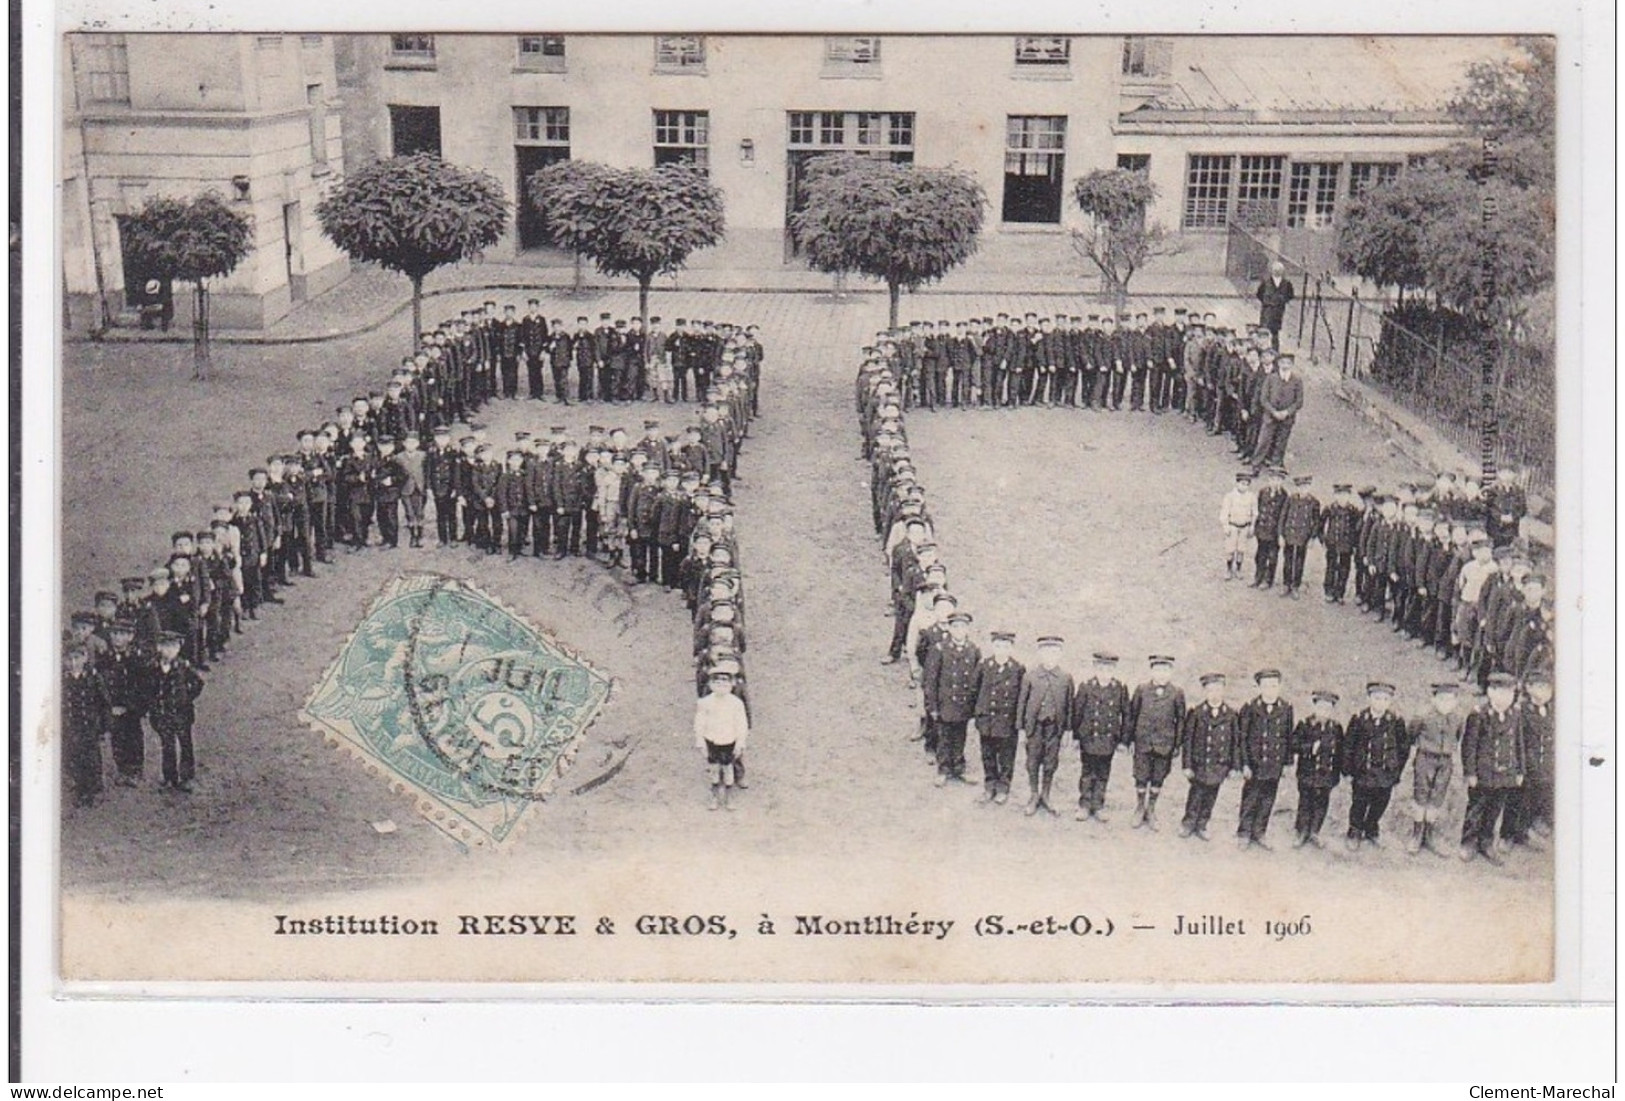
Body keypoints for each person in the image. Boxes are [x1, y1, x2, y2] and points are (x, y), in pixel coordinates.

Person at [1459, 672, 1525, 864]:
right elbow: (1469, 746)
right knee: (1476, 809)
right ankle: (1469, 842)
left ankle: (1486, 843)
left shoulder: (1515, 714)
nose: (1506, 698)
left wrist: (1520, 770)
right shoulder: (1479, 714)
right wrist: (1470, 772)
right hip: (1483, 774)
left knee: (1495, 811)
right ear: (1490, 692)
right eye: (1501, 693)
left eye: (1510, 694)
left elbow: (1518, 743)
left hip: (1506, 774)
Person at [1341, 680, 1411, 850]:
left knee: (1380, 803)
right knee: (1359, 803)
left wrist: (1396, 772)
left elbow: (1403, 748)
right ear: (1369, 698)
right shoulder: (1359, 719)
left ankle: (1371, 828)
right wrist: (1348, 770)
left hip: (1385, 774)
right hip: (1363, 772)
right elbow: (1348, 745)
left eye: (1386, 699)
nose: (1381, 703)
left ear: (1390, 701)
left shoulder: (1395, 721)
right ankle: (1355, 830)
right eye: (1377, 698)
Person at [1236, 668, 1294, 850]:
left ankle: (1260, 832)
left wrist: (1287, 763)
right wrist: (1245, 763)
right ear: (1259, 687)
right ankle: (1244, 833)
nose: (1271, 689)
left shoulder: (1286, 709)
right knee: (1250, 798)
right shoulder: (1250, 708)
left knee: (1268, 800)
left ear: (1279, 687)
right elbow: (1242, 738)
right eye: (1266, 686)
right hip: (1254, 764)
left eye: (1274, 685)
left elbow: (1288, 737)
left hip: (1274, 765)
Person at [923, 610, 981, 787]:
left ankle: (959, 767)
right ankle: (943, 769)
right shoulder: (940, 649)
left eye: (962, 627)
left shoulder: (973, 650)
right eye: (955, 626)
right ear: (949, 628)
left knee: (960, 735)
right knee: (944, 736)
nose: (959, 630)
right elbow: (931, 680)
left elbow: (977, 679)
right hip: (945, 703)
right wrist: (931, 706)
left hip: (963, 704)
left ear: (968, 629)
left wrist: (974, 705)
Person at [1406, 681, 1465, 855]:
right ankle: (1417, 833)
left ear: (1455, 701)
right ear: (1434, 700)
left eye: (1450, 700)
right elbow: (1411, 734)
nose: (1445, 704)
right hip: (1425, 759)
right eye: (1441, 699)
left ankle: (1429, 834)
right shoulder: (1423, 716)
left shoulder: (1457, 718)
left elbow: (1457, 736)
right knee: (1421, 795)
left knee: (1437, 796)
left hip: (1445, 762)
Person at [1016, 635, 1073, 816]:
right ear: (1039, 654)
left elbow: (1069, 706)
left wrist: (1067, 731)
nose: (1050, 656)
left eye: (1054, 652)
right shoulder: (1030, 676)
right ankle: (1034, 795)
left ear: (1061, 654)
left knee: (1050, 762)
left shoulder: (1065, 678)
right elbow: (1021, 704)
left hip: (1054, 730)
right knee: (1032, 761)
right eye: (1046, 652)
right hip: (1034, 728)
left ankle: (1046, 794)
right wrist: (1021, 730)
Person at [1127, 654, 1185, 830]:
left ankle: (1151, 809)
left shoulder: (1177, 693)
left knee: (1158, 778)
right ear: (1151, 670)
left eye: (1165, 670)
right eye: (1158, 669)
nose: (1161, 674)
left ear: (1171, 672)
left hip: (1164, 745)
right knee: (1141, 777)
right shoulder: (1142, 690)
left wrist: (1177, 745)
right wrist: (1129, 739)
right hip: (1143, 743)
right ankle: (1139, 807)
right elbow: (1132, 715)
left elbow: (1181, 720)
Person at [1070, 651, 1129, 823]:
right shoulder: (1086, 687)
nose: (1105, 671)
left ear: (1114, 669)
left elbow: (1126, 715)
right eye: (1101, 667)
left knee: (1103, 773)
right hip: (1088, 739)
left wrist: (1123, 741)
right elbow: (1077, 712)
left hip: (1108, 740)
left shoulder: (1119, 688)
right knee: (1087, 773)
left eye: (1109, 668)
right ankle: (1085, 804)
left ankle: (1098, 804)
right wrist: (1075, 736)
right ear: (1095, 667)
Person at [1179, 672, 1238, 841]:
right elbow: (1188, 741)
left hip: (1219, 766)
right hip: (1199, 765)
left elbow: (1236, 743)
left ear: (1223, 690)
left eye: (1218, 689)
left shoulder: (1231, 715)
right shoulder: (1196, 713)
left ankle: (1202, 824)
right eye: (1210, 690)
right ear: (1205, 692)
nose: (1214, 694)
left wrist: (1234, 767)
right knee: (1195, 795)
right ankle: (1188, 823)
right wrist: (1187, 765)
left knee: (1211, 796)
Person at [146, 629, 205, 793]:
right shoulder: (153, 667)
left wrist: (187, 698)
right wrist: (154, 707)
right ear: (159, 647)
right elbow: (149, 689)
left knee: (185, 744)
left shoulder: (183, 666)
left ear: (179, 647)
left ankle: (186, 777)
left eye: (173, 646)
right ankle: (169, 777)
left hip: (182, 714)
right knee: (167, 746)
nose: (169, 650)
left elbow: (198, 683)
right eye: (165, 646)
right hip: (163, 714)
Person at [971, 630, 1024, 805]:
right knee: (988, 755)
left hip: (1007, 723)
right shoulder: (984, 666)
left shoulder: (1017, 669)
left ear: (1012, 648)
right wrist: (978, 714)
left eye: (1006, 646)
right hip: (987, 720)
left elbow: (1021, 698)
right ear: (992, 646)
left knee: (1006, 757)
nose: (1001, 649)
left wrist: (1018, 722)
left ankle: (1003, 787)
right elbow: (975, 690)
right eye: (998, 646)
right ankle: (989, 785)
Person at [1291, 689, 1343, 848]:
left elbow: (1341, 752)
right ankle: (1302, 831)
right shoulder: (1305, 725)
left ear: (1332, 710)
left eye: (1328, 709)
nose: (1323, 712)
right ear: (1314, 707)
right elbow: (1294, 745)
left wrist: (1337, 774)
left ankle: (1315, 831)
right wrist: (1309, 748)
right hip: (1307, 773)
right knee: (1305, 802)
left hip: (1326, 774)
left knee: (1322, 803)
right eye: (1320, 707)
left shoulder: (1336, 728)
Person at [692, 669, 750, 811]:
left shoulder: (736, 703)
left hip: (729, 741)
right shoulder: (705, 703)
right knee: (714, 769)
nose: (721, 686)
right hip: (712, 740)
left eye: (725, 683)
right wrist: (701, 743)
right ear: (711, 685)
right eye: (717, 683)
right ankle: (714, 797)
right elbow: (699, 723)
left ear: (731, 685)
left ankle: (729, 798)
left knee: (728, 768)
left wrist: (740, 743)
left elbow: (742, 724)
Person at [62, 642, 111, 807]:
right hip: (72, 726)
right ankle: (80, 790)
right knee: (75, 757)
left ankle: (94, 790)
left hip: (90, 726)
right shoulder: (63, 679)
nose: (74, 662)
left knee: (92, 758)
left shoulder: (94, 677)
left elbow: (104, 703)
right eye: (70, 659)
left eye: (77, 658)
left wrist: (104, 727)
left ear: (85, 658)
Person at [1251, 353, 1303, 469]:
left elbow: (1299, 402)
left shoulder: (1297, 380)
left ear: (1292, 365)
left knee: (1281, 442)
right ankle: (1256, 464)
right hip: (1270, 416)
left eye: (1288, 363)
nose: (1285, 365)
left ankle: (1276, 464)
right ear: (1278, 364)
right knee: (1264, 441)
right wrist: (1273, 411)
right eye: (1283, 362)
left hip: (1287, 418)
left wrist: (1287, 412)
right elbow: (1263, 399)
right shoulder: (1271, 378)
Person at [1278, 473, 1322, 599]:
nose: (1303, 489)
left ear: (1309, 487)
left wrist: (1312, 538)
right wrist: (1281, 534)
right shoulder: (1290, 499)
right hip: (1289, 534)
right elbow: (1283, 517)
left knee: (1299, 561)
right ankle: (1286, 584)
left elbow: (1316, 522)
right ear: (1296, 487)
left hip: (1303, 536)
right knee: (1288, 559)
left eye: (1306, 487)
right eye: (1300, 487)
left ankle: (1295, 585)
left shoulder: (1314, 502)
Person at [1251, 467, 1288, 589]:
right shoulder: (1263, 492)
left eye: (1278, 479)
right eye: (1273, 479)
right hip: (1262, 529)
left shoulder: (1284, 495)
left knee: (1272, 557)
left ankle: (1268, 580)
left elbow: (1283, 515)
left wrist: (1280, 534)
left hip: (1274, 532)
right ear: (1268, 480)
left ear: (1282, 481)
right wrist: (1255, 526)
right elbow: (1258, 509)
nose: (1275, 482)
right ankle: (1258, 577)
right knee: (1260, 555)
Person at [1218, 471, 1257, 581]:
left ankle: (1238, 569)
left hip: (1244, 527)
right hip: (1233, 526)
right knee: (1230, 549)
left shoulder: (1251, 497)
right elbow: (1224, 513)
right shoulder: (1230, 496)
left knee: (1241, 549)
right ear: (1237, 483)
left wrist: (1252, 526)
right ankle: (1229, 569)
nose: (1244, 486)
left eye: (1246, 484)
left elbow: (1254, 513)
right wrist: (1226, 526)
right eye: (1242, 483)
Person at [1255, 260, 1295, 351]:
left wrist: (1282, 301)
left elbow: (1290, 295)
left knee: (1275, 331)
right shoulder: (1266, 282)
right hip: (1267, 310)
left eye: (1279, 270)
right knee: (1264, 330)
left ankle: (1275, 350)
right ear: (1272, 271)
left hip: (1278, 311)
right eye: (1275, 269)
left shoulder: (1286, 283)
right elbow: (1259, 294)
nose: (1277, 271)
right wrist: (1266, 303)